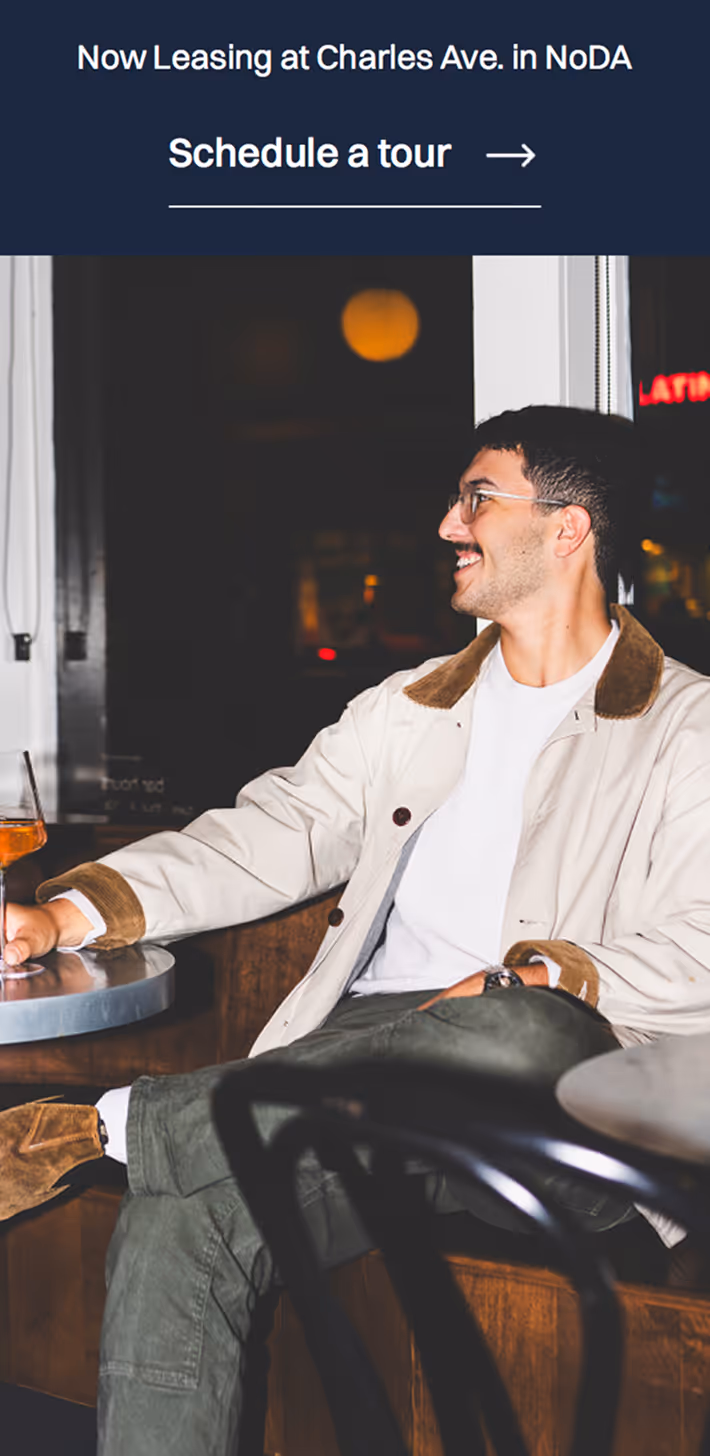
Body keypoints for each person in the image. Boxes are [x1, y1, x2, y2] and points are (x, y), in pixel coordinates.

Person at [3, 404, 710, 1455]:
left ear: (567, 530)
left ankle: (104, 1125)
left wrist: (527, 978)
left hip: (563, 1109)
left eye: (477, 497)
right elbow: (270, 830)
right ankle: (144, 1140)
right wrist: (69, 908)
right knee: (182, 1214)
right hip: (361, 1080)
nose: (444, 524)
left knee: (522, 1026)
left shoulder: (683, 730)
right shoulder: (406, 709)